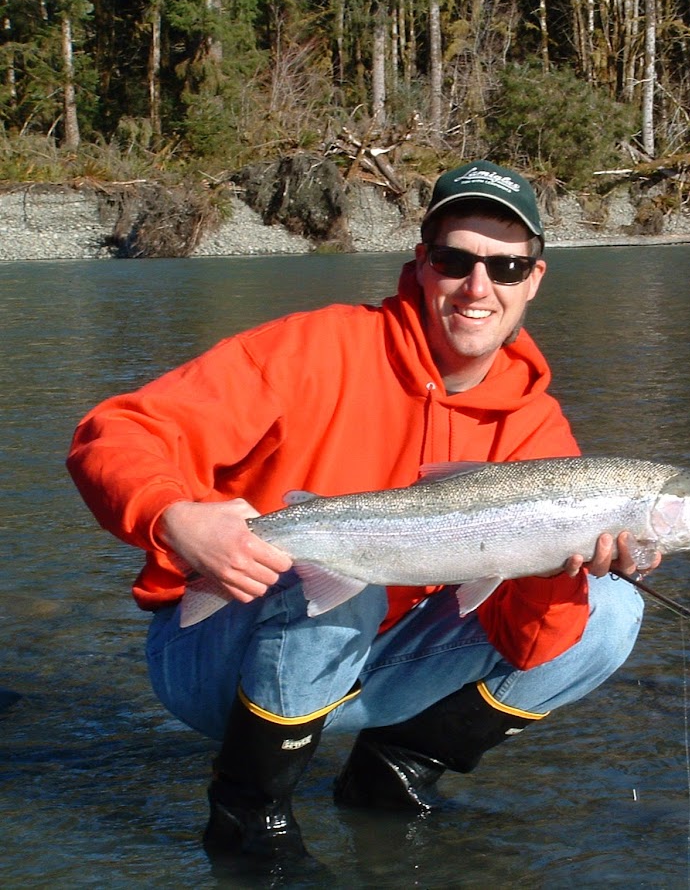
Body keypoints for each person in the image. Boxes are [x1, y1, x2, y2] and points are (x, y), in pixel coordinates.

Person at [67, 160, 651, 867]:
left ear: (534, 279)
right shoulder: (312, 349)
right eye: (455, 259)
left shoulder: (537, 430)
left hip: (377, 663)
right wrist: (176, 519)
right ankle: (248, 818)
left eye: (504, 267)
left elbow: (531, 648)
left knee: (611, 609)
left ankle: (392, 769)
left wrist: (556, 571)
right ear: (421, 263)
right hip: (219, 655)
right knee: (348, 583)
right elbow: (117, 434)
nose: (477, 287)